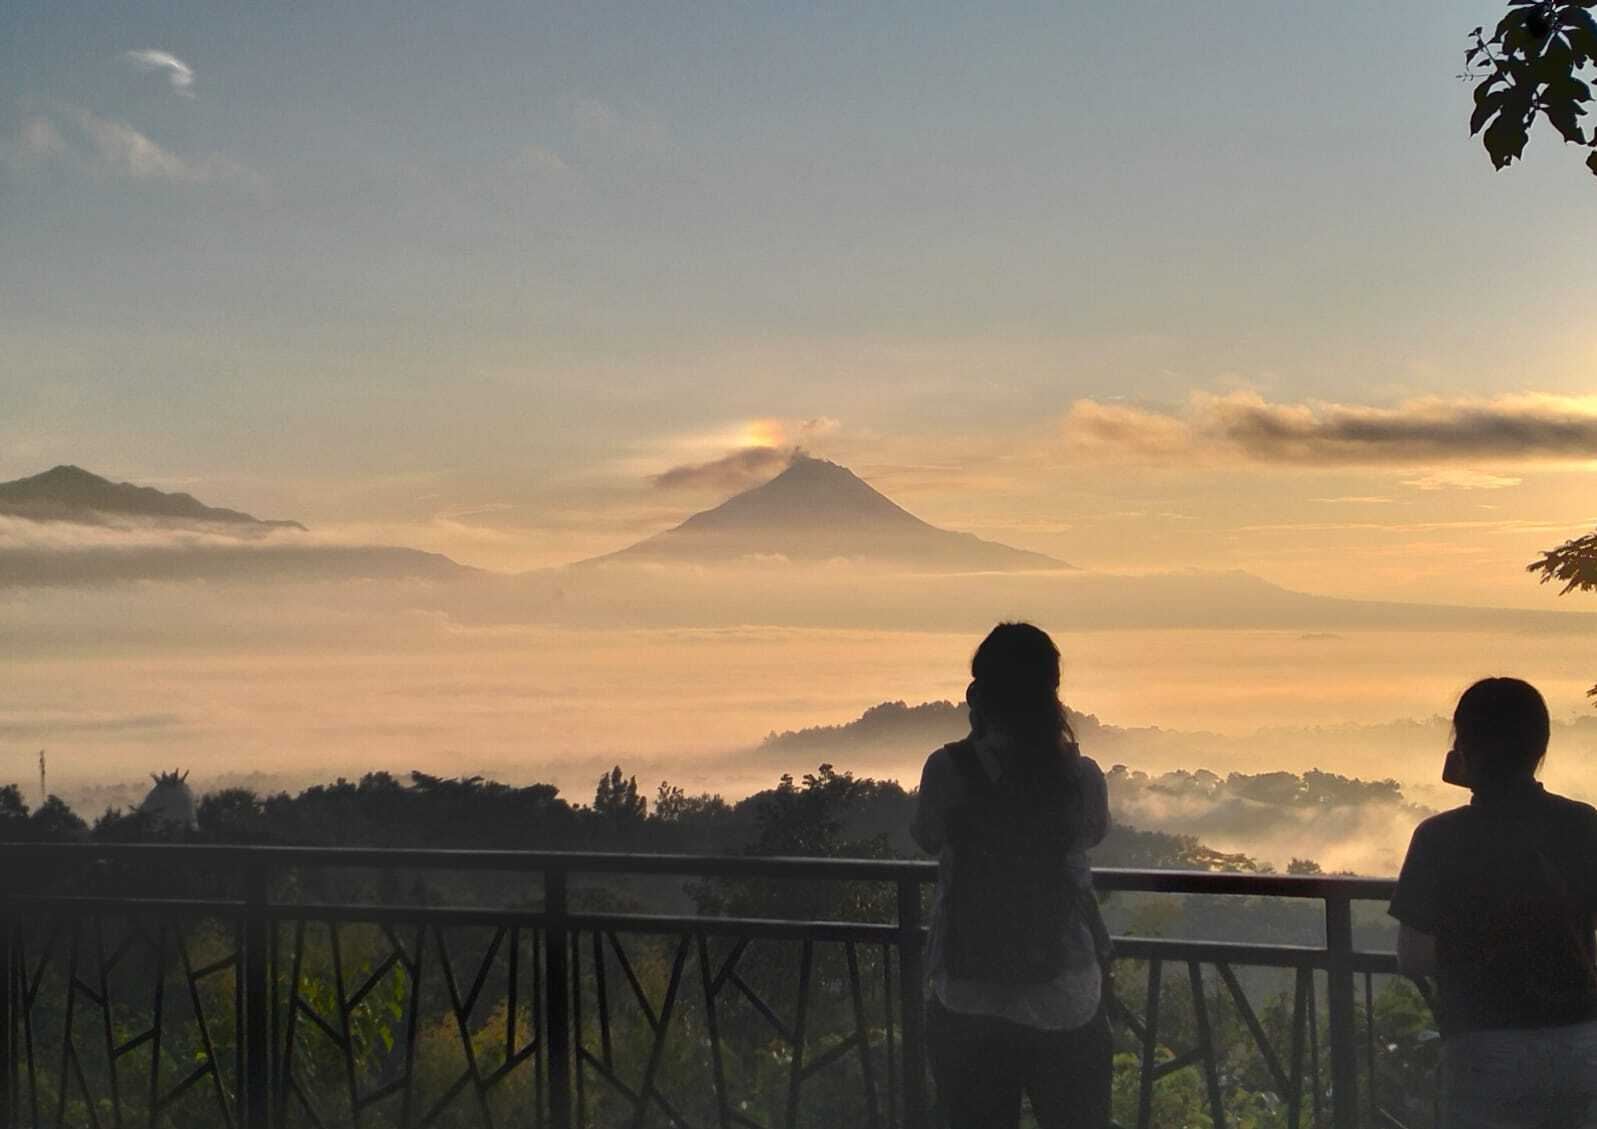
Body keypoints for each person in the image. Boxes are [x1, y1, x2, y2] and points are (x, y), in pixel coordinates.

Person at [911, 622, 1112, 1129]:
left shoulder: (947, 769)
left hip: (968, 990)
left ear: (981, 691)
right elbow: (1093, 835)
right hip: (1065, 992)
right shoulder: (1080, 776)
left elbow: (927, 836)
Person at [1390, 677, 1597, 1129]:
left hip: (1484, 1047)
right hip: (1578, 1045)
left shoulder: (1439, 838)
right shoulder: (1582, 824)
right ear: (1540, 748)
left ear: (1463, 748)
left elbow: (1414, 956)